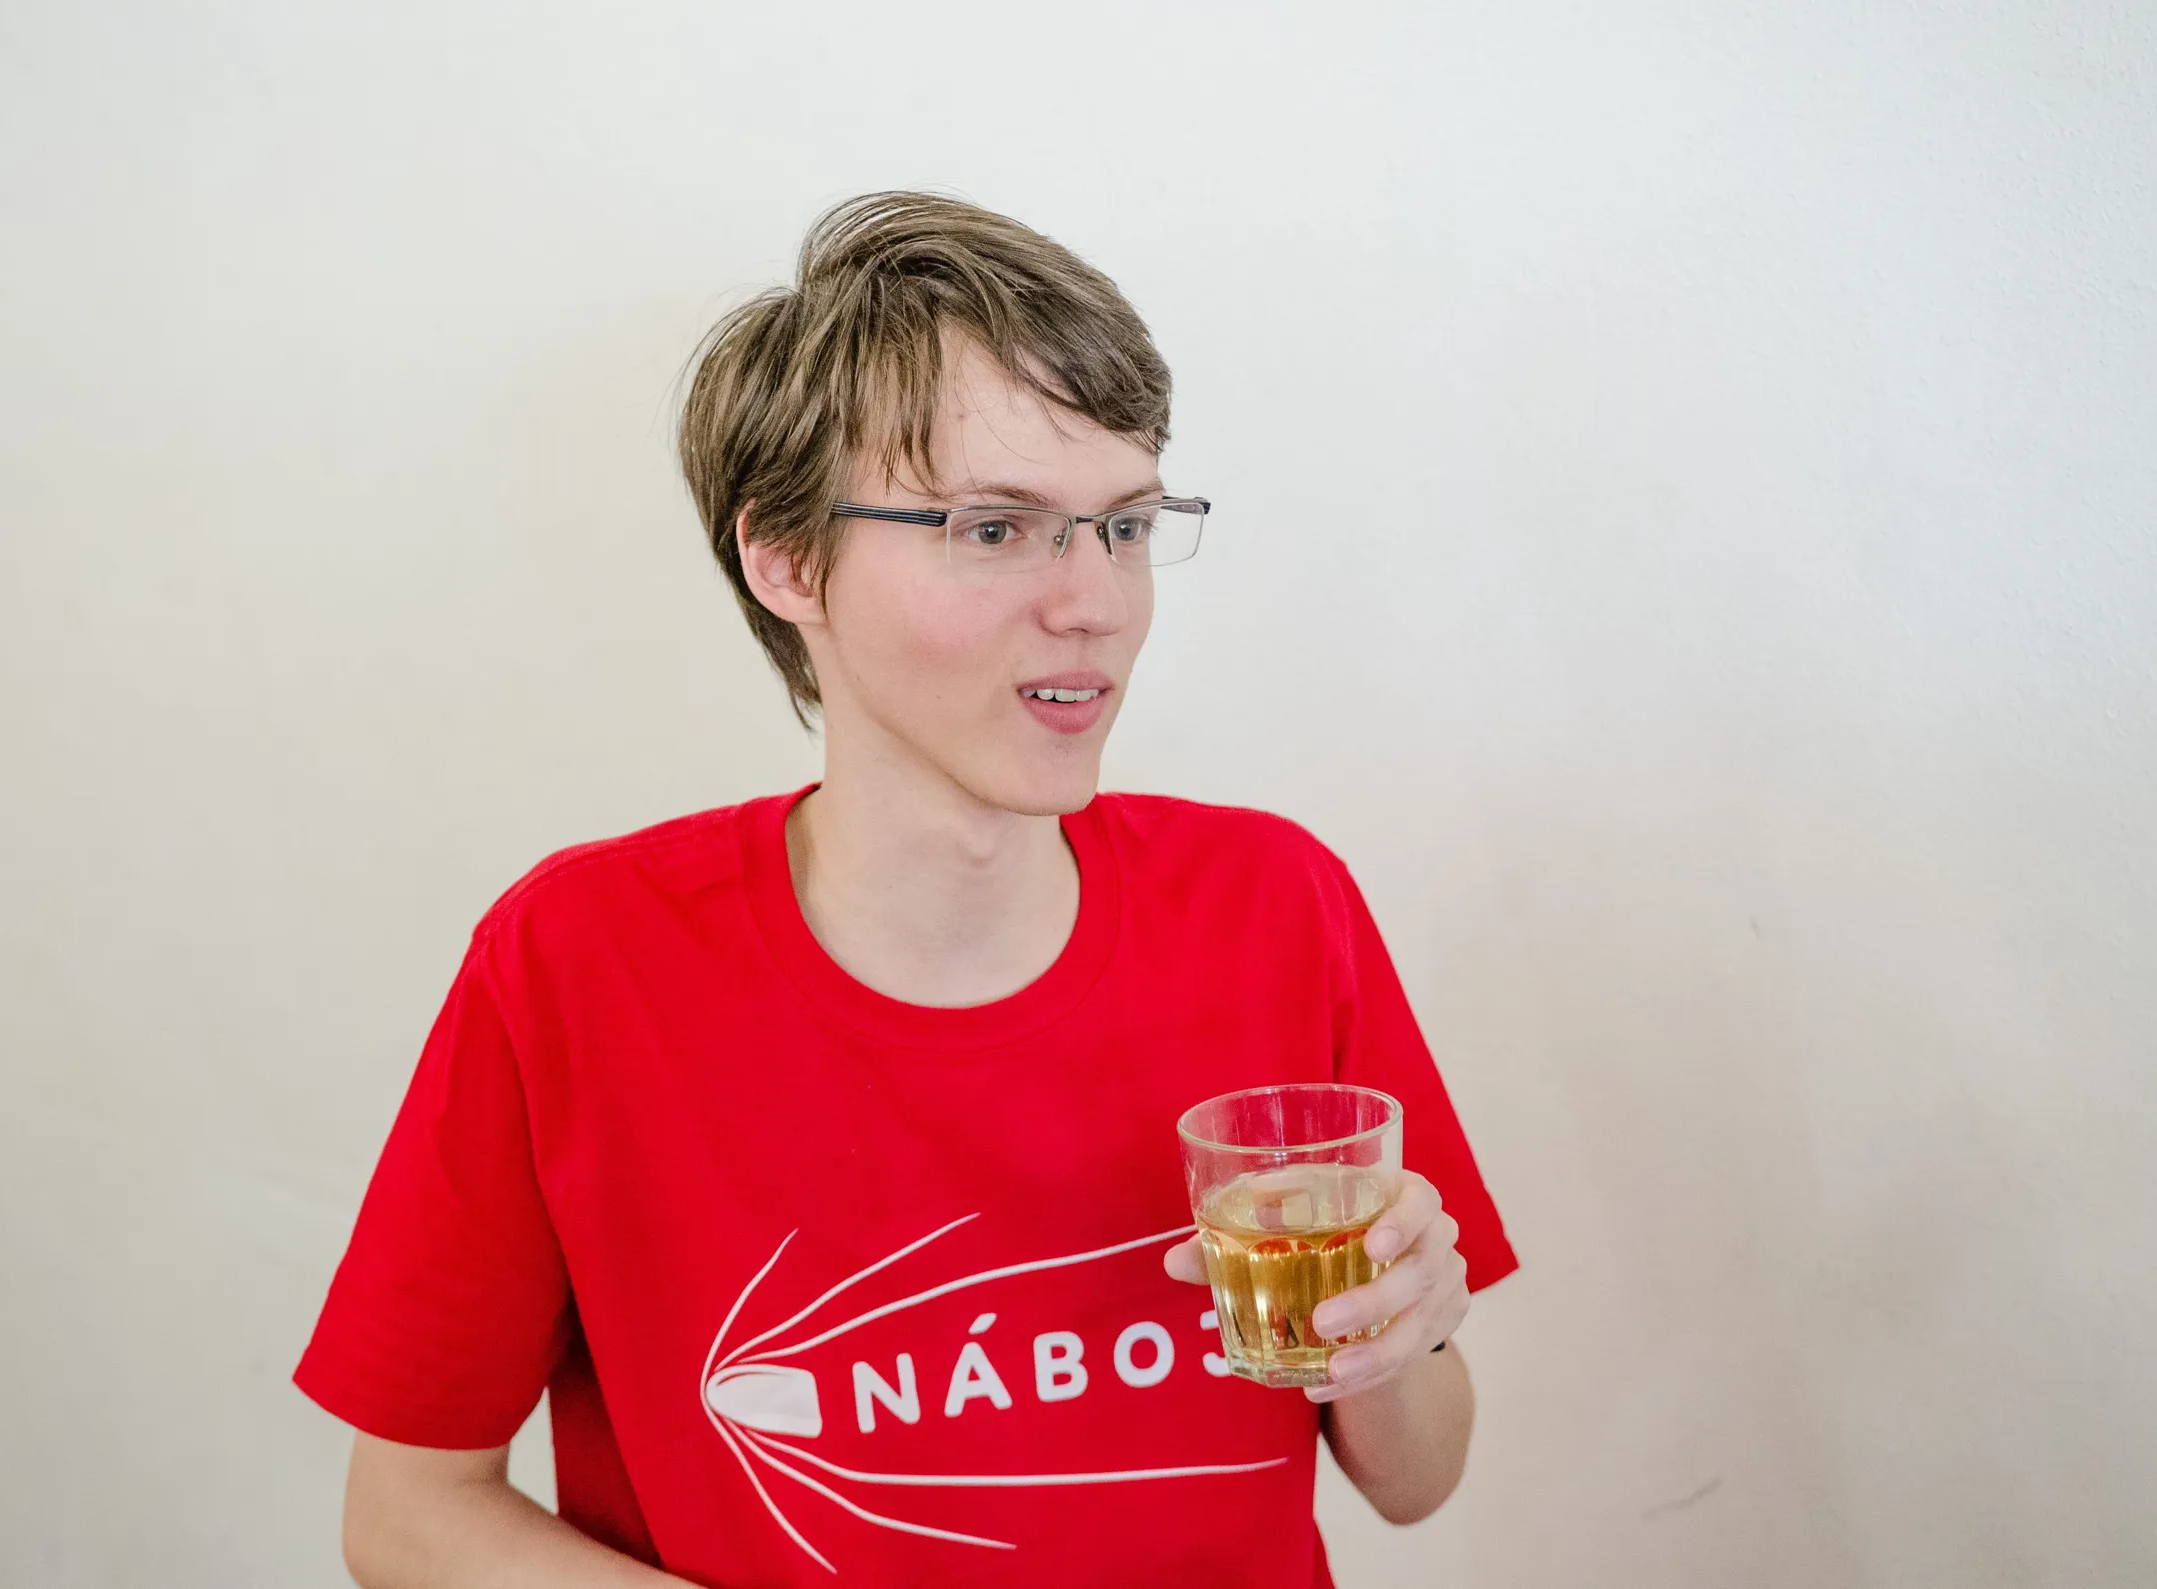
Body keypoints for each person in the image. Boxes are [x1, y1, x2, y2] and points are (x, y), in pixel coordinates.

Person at [296, 191, 1517, 1588]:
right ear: (786, 561)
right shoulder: (579, 962)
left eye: (1124, 525)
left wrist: (1399, 1336)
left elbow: (1417, 1482)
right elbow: (405, 1515)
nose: (1097, 603)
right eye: (995, 529)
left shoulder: (1274, 905)